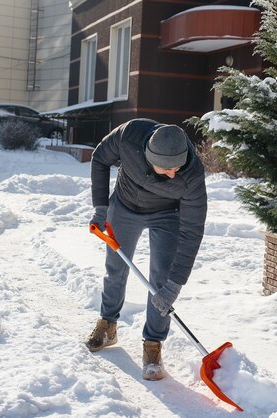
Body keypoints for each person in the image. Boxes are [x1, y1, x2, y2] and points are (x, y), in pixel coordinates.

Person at [86, 118, 207, 380]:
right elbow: (100, 158)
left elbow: (192, 231)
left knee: (162, 280)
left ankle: (153, 344)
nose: (173, 174)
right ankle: (108, 324)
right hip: (124, 206)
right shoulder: (129, 136)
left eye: (177, 167)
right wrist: (101, 206)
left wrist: (175, 285)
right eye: (166, 169)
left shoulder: (193, 175)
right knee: (116, 268)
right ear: (147, 156)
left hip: (167, 215)